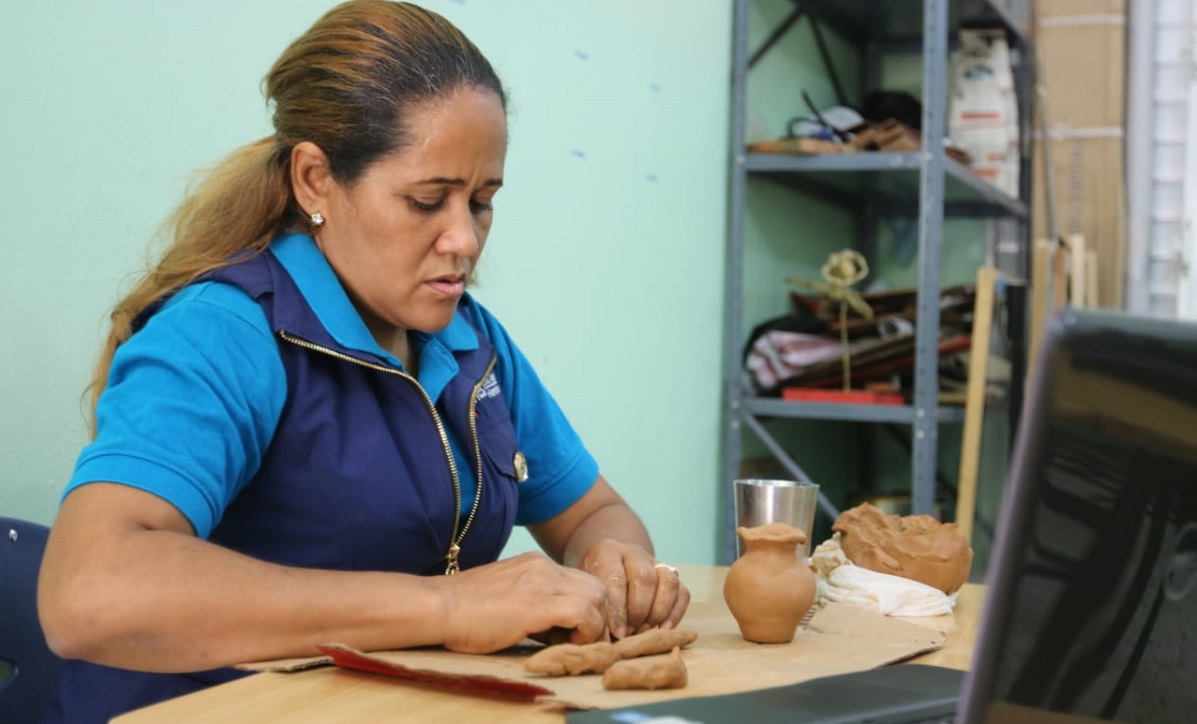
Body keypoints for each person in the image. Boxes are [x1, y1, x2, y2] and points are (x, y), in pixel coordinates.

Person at [35, 2, 690, 720]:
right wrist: (445, 606)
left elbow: (593, 510)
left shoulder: (472, 342)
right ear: (315, 179)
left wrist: (614, 561)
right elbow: (88, 594)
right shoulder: (223, 332)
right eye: (426, 200)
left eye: (481, 202)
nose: (464, 240)